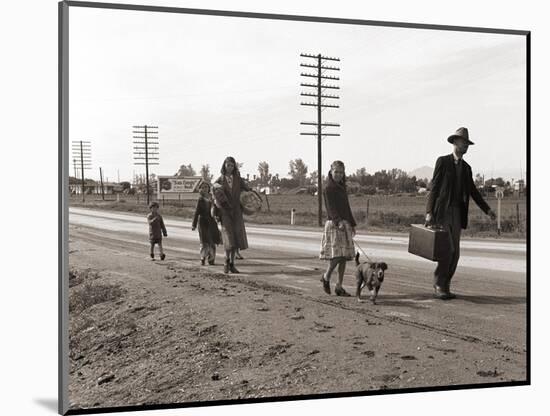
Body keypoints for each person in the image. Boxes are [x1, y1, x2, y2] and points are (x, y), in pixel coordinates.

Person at [426, 127, 496, 299]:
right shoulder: (442, 161)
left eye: (467, 144)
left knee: (455, 253)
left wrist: (487, 209)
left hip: (458, 214)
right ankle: (438, 283)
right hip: (442, 212)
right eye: (463, 142)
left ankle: (445, 285)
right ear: (455, 142)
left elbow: (473, 191)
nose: (465, 146)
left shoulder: (466, 168)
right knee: (446, 250)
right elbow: (434, 189)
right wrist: (429, 212)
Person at [320, 160, 357, 296]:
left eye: (341, 172)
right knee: (336, 256)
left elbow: (346, 207)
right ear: (331, 171)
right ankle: (326, 277)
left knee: (344, 257)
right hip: (335, 224)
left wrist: (352, 224)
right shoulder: (328, 188)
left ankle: (339, 286)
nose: (339, 175)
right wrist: (338, 221)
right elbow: (331, 208)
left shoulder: (342, 187)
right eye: (336, 172)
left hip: (345, 224)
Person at [213, 156, 251, 274]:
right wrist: (215, 188)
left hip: (237, 212)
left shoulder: (238, 179)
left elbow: (247, 189)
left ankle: (232, 264)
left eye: (232, 165)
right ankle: (226, 261)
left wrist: (250, 192)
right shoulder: (220, 180)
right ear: (224, 166)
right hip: (225, 213)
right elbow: (213, 191)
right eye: (228, 165)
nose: (230, 167)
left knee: (236, 239)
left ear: (234, 167)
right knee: (228, 239)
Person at [192, 182, 222, 266]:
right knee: (204, 241)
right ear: (200, 189)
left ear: (209, 188)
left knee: (212, 241)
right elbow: (196, 212)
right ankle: (203, 257)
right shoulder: (200, 199)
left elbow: (217, 209)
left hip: (212, 222)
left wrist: (218, 216)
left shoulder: (213, 198)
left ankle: (211, 258)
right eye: (203, 187)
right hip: (202, 223)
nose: (205, 189)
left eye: (206, 187)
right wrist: (193, 224)